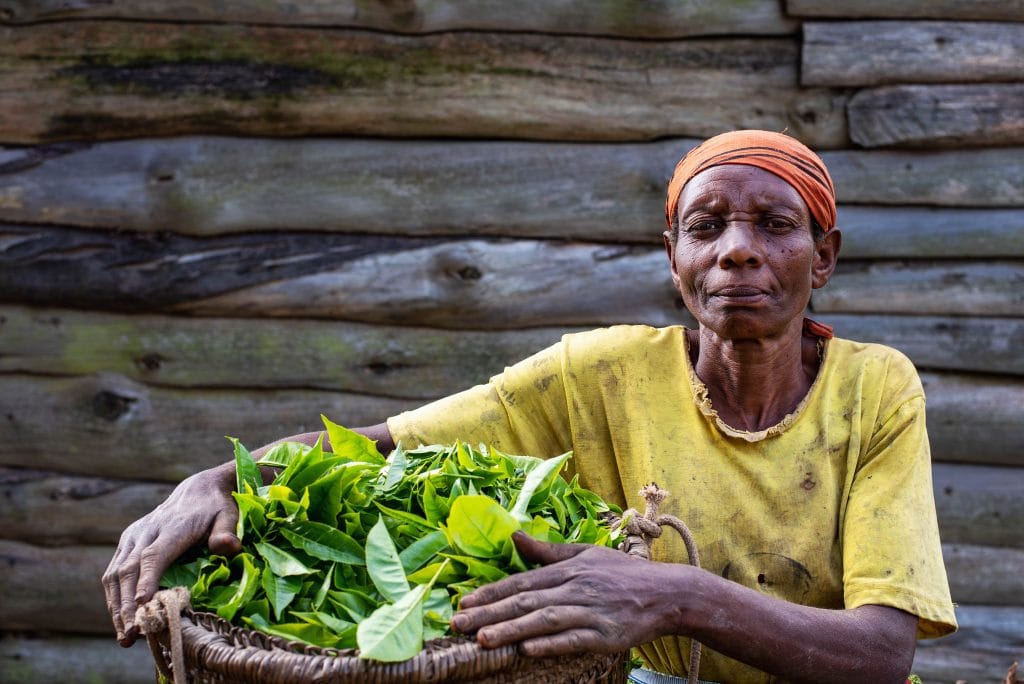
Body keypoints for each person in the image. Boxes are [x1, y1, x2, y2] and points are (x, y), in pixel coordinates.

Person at [103, 130, 956, 683]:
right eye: (707, 229)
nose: (738, 251)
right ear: (674, 259)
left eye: (775, 225)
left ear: (825, 256)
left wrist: (673, 596)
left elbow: (879, 653)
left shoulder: (873, 387)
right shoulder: (604, 372)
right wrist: (216, 483)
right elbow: (384, 447)